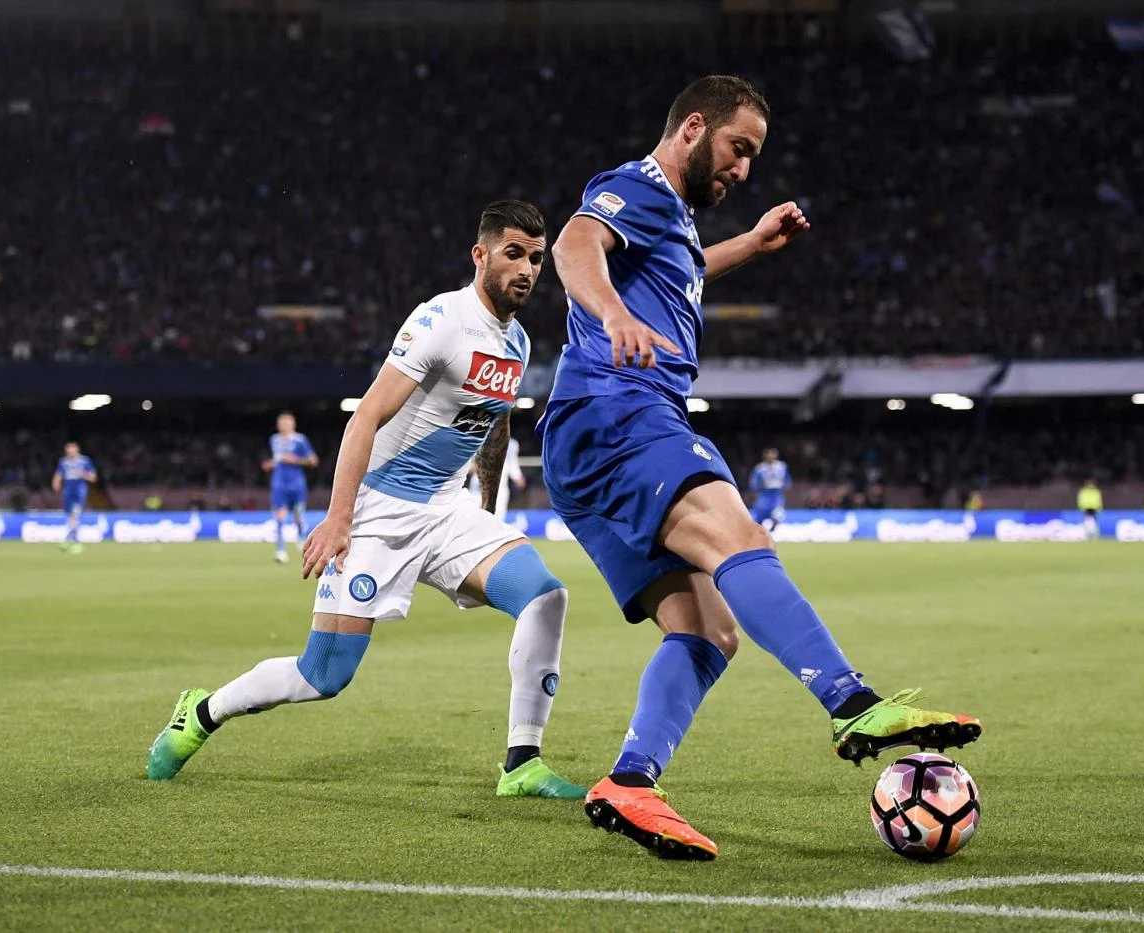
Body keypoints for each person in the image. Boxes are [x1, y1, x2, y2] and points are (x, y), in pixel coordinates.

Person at [539, 75, 981, 860]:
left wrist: (749, 244)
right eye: (738, 148)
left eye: (753, 158)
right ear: (692, 127)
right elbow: (575, 245)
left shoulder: (669, 218)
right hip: (619, 409)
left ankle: (631, 781)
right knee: (738, 536)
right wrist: (612, 314)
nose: (744, 169)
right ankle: (851, 700)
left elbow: (675, 271)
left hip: (591, 442)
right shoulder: (636, 185)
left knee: (709, 630)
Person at [147, 201, 584, 800]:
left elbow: (494, 421)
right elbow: (366, 417)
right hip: (380, 513)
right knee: (323, 675)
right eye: (514, 254)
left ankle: (522, 763)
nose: (528, 270)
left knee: (545, 596)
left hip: (447, 509)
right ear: (480, 255)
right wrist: (339, 518)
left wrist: (485, 507)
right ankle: (202, 712)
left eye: (536, 258)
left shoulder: (520, 342)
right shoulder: (440, 321)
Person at [263, 411, 319, 563]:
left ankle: (301, 537)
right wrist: (270, 464)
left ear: (293, 424)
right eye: (282, 422)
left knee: (298, 515)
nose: (284, 425)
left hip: (297, 483)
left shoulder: (300, 440)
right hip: (279, 483)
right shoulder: (274, 440)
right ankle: (280, 551)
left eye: (287, 422)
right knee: (279, 516)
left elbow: (313, 460)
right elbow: (278, 460)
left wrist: (296, 460)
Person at [51, 442, 97, 554]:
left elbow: (93, 477)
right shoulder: (63, 462)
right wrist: (56, 482)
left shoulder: (84, 461)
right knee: (70, 517)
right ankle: (73, 541)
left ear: (77, 450)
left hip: (79, 492)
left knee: (75, 515)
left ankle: (71, 540)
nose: (69, 452)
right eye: (67, 451)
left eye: (71, 450)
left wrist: (84, 475)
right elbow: (59, 474)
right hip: (67, 492)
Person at [746, 447, 790, 531]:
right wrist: (756, 489)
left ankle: (773, 529)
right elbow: (754, 482)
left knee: (777, 514)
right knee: (760, 515)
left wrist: (785, 486)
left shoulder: (781, 467)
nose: (771, 457)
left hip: (776, 494)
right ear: (765, 456)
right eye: (769, 455)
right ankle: (760, 531)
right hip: (764, 494)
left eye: (773, 455)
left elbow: (787, 479)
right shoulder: (760, 468)